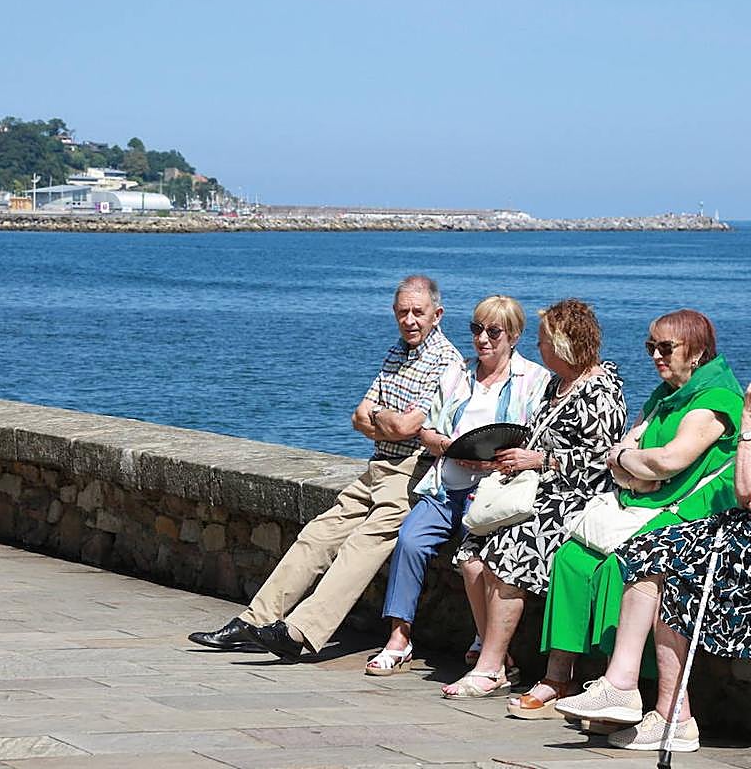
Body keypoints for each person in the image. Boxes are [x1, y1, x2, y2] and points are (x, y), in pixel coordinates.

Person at [555, 308, 751, 753]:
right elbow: (745, 490)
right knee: (647, 547)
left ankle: (670, 714)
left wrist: (750, 424)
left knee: (673, 558)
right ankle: (632, 691)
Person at [187, 275, 464, 661]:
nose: (410, 320)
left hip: (410, 472)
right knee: (317, 535)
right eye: (403, 312)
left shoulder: (447, 363)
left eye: (419, 312)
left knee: (361, 547)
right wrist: (386, 419)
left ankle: (299, 632)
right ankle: (254, 621)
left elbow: (405, 427)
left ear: (438, 314)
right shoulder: (396, 353)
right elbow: (358, 418)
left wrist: (381, 416)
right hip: (377, 466)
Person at [509, 309, 742, 719]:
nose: (655, 355)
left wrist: (633, 462)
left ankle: (623, 687)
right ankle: (559, 675)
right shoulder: (665, 394)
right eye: (650, 346)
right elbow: (617, 453)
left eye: (665, 347)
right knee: (570, 558)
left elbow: (670, 460)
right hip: (640, 501)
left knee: (625, 565)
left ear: (697, 352)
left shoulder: (716, 399)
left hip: (687, 513)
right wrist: (635, 465)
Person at [442, 299, 627, 699]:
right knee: (471, 553)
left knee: (509, 554)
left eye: (544, 341)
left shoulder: (601, 390)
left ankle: (489, 668)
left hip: (572, 499)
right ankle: (500, 658)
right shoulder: (555, 384)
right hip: (533, 489)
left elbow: (602, 462)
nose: (539, 349)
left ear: (565, 345)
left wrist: (541, 460)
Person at [365, 295, 551, 675]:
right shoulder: (456, 374)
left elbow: (534, 441)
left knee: (477, 561)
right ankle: (399, 638)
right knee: (410, 540)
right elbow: (427, 432)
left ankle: (488, 644)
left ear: (513, 335)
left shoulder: (535, 380)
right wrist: (448, 446)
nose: (482, 339)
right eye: (476, 329)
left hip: (493, 489)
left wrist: (491, 458)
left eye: (493, 331)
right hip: (445, 484)